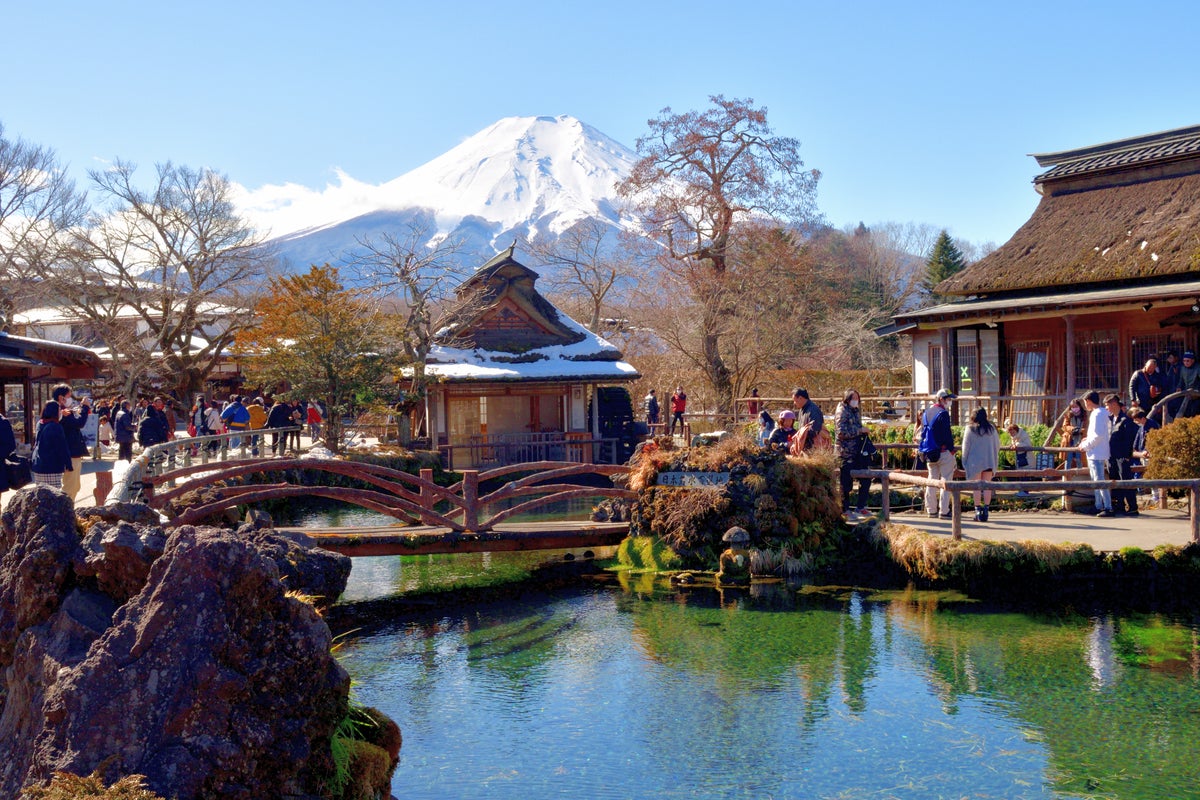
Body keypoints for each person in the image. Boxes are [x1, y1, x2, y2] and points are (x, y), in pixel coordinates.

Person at [918, 389, 957, 519]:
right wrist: (951, 450)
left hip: (929, 452)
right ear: (941, 399)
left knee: (932, 481)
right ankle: (944, 511)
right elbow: (947, 435)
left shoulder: (926, 413)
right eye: (948, 399)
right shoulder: (943, 414)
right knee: (946, 481)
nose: (950, 401)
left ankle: (931, 510)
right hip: (943, 452)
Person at [835, 389, 871, 518]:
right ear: (847, 399)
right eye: (853, 398)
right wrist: (860, 430)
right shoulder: (842, 411)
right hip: (845, 452)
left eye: (857, 398)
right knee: (845, 483)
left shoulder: (855, 410)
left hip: (857, 451)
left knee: (866, 477)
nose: (856, 400)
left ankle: (861, 507)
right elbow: (841, 432)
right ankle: (845, 509)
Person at [52, 384, 91, 501]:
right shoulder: (61, 412)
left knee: (74, 485)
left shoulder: (58, 411)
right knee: (71, 486)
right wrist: (85, 408)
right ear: (61, 397)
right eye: (69, 396)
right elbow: (79, 423)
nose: (71, 399)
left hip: (70, 451)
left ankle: (66, 507)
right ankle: (66, 509)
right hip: (70, 453)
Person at [962, 407, 1001, 522]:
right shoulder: (991, 429)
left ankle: (978, 511)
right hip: (989, 460)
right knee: (987, 486)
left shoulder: (970, 429)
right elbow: (997, 445)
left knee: (977, 488)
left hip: (974, 462)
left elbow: (965, 447)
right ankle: (986, 510)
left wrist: (964, 461)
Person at [1078, 390, 1113, 517]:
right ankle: (1099, 505)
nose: (1084, 405)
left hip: (1096, 452)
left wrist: (1085, 445)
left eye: (1085, 402)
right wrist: (1087, 440)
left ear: (1088, 401)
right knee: (1096, 479)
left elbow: (1097, 436)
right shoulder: (1102, 412)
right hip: (1098, 451)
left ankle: (1107, 506)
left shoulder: (1097, 414)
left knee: (1099, 480)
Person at [1106, 395, 1137, 516]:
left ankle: (1132, 507)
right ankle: (1119, 506)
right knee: (1114, 480)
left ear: (1114, 404)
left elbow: (1129, 439)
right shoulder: (1110, 419)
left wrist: (1128, 455)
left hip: (1122, 455)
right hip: (1111, 455)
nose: (1106, 408)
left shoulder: (1125, 420)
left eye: (1108, 405)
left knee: (1126, 480)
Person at [31, 401, 71, 490]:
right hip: (52, 465)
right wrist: (68, 464)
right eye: (59, 410)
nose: (60, 412)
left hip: (38, 464)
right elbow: (62, 447)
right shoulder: (56, 426)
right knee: (53, 493)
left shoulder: (40, 423)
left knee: (41, 493)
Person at [1131, 405, 1160, 505]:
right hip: (1142, 454)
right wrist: (1135, 449)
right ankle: (1154, 495)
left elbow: (1152, 440)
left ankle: (1156, 496)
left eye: (1137, 420)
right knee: (1148, 475)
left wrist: (1147, 450)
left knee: (1153, 475)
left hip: (1150, 454)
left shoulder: (1152, 425)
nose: (1136, 422)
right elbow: (1137, 440)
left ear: (1142, 418)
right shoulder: (1141, 427)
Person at [1004, 419, 1034, 497]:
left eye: (1013, 432)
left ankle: (1025, 492)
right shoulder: (1015, 437)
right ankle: (1022, 491)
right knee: (1021, 474)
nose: (1011, 434)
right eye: (1010, 433)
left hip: (1027, 458)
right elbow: (1014, 443)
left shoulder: (1023, 435)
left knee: (1025, 475)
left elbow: (1028, 444)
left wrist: (1017, 445)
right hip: (1020, 458)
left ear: (1016, 430)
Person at [1060, 399, 1087, 469]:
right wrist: (1073, 429)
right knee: (1068, 459)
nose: (1074, 408)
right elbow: (1065, 426)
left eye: (1076, 406)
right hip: (1069, 439)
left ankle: (1080, 473)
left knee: (1079, 459)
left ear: (1080, 406)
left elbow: (1087, 427)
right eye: (1073, 407)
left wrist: (1081, 430)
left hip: (1080, 439)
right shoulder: (1068, 414)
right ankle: (1066, 474)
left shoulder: (1085, 415)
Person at [1177, 351, 1200, 418]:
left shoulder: (1198, 368)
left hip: (1197, 395)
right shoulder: (1183, 368)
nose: (1186, 363)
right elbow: (1181, 380)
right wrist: (1179, 387)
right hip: (1187, 394)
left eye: (1188, 361)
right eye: (1184, 361)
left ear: (1193, 360)